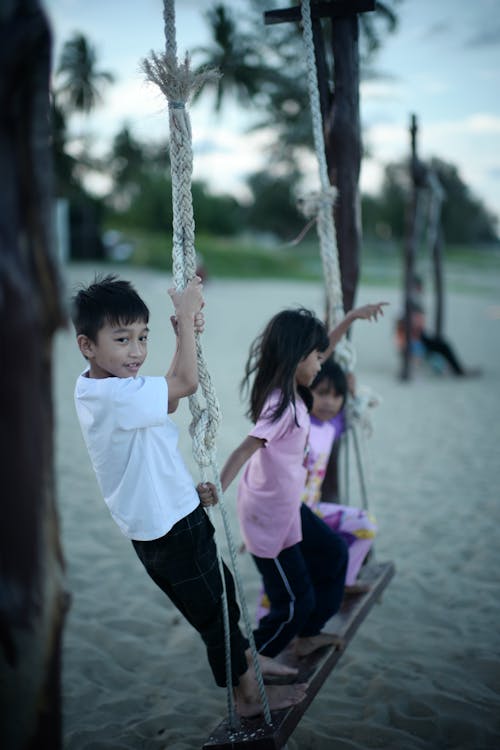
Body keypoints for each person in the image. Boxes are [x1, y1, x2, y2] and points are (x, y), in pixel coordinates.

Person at [71, 273, 306, 718]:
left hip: (175, 512)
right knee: (215, 615)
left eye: (143, 337)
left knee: (224, 594)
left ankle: (250, 665)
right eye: (122, 340)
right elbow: (185, 385)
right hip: (168, 528)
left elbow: (170, 399)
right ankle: (247, 698)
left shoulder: (109, 389)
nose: (137, 351)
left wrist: (181, 334)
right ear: (87, 346)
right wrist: (184, 310)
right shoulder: (112, 398)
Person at [220, 301, 387, 660]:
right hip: (268, 515)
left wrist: (351, 318)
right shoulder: (281, 407)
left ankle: (308, 634)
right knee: (293, 604)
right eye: (314, 357)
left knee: (334, 554)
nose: (320, 363)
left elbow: (324, 349)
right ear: (297, 358)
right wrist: (214, 490)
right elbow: (243, 450)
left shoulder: (294, 392)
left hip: (288, 507)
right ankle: (252, 669)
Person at [302, 358, 377, 592]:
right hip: (291, 514)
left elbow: (346, 408)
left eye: (336, 396)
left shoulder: (332, 426)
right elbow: (319, 354)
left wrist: (350, 391)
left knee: (366, 525)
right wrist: (349, 320)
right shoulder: (298, 422)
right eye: (322, 393)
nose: (329, 402)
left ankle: (345, 581)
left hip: (313, 510)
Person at [395, 274, 481, 377]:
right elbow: (407, 326)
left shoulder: (411, 302)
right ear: (416, 287)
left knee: (442, 345)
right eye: (420, 286)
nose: (422, 289)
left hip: (417, 339)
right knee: (444, 346)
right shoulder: (410, 303)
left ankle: (456, 370)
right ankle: (458, 371)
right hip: (415, 341)